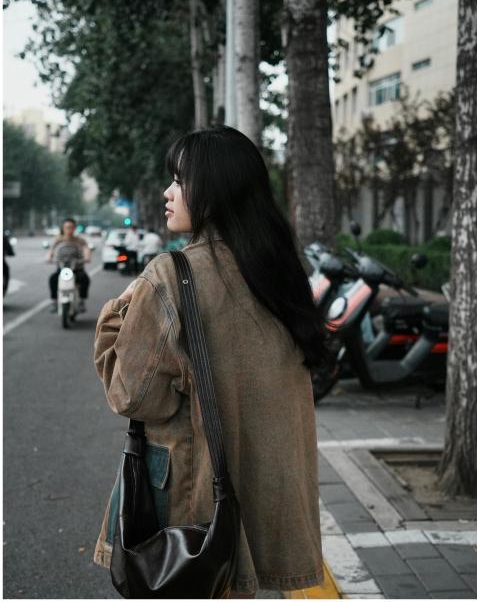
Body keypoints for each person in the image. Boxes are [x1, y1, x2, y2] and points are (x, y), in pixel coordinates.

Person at [93, 125, 328, 598]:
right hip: (268, 504)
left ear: (216, 188)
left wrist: (116, 313)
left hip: (191, 507)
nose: (167, 192)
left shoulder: (169, 276)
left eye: (179, 180)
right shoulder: (280, 273)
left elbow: (134, 397)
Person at [46, 218, 91, 313]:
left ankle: (81, 301)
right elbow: (51, 250)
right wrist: (49, 257)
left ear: (74, 228)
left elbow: (86, 249)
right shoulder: (58, 240)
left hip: (77, 268)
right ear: (63, 228)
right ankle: (54, 301)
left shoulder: (80, 240)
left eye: (71, 227)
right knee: (53, 279)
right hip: (62, 269)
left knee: (85, 279)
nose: (69, 230)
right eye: (67, 227)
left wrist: (87, 257)